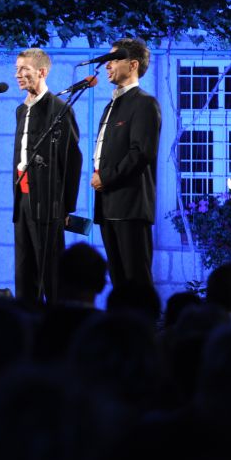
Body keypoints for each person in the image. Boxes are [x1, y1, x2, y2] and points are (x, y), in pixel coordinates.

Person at [11, 48, 82, 306]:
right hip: (23, 199)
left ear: (41, 72)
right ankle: (25, 319)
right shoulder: (21, 110)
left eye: (24, 69)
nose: (18, 74)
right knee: (24, 268)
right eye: (17, 69)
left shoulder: (59, 110)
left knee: (50, 270)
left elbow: (72, 161)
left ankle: (55, 321)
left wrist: (66, 206)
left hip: (48, 201)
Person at [90, 38, 161, 289]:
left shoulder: (145, 103)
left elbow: (141, 153)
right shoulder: (112, 105)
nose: (107, 65)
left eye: (114, 59)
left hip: (130, 206)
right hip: (107, 204)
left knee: (136, 282)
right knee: (119, 281)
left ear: (133, 65)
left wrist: (106, 177)